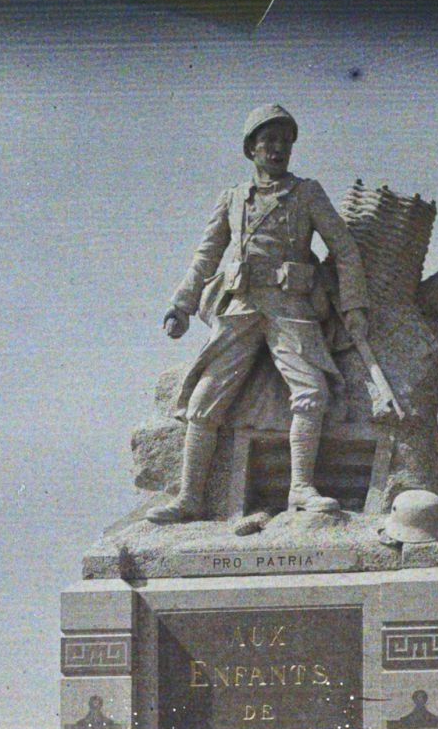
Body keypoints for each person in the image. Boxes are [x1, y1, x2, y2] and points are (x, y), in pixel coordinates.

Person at [148, 104, 372, 523]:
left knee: (312, 392)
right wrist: (180, 304)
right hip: (242, 306)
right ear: (251, 149)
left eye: (284, 141)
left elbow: (344, 248)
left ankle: (301, 488)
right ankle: (189, 498)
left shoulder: (307, 193)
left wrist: (354, 305)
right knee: (203, 400)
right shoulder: (233, 198)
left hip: (291, 308)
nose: (277, 149)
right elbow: (207, 254)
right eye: (268, 141)